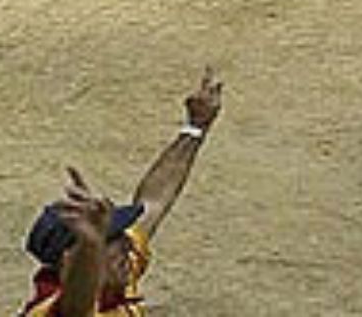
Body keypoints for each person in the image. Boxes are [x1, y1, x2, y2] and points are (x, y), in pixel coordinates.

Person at [19, 69, 224, 317]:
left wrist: (195, 129)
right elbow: (75, 308)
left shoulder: (116, 273)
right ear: (69, 261)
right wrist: (91, 244)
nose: (127, 244)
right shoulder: (48, 311)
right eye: (112, 240)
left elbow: (153, 202)